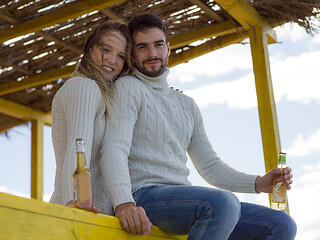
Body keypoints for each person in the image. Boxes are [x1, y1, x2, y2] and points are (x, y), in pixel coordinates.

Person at [101, 13, 297, 239]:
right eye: (142, 47)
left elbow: (211, 167)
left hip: (183, 201)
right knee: (222, 204)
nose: (152, 53)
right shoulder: (128, 87)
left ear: (168, 48)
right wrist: (124, 204)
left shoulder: (187, 104)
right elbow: (115, 149)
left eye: (158, 45)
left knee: (281, 224)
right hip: (143, 196)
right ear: (132, 54)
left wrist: (260, 183)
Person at [50, 20, 132, 215]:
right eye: (106, 50)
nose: (112, 60)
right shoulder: (84, 86)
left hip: (96, 215)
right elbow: (78, 145)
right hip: (79, 214)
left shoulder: (105, 97)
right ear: (89, 48)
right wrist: (76, 201)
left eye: (120, 56)